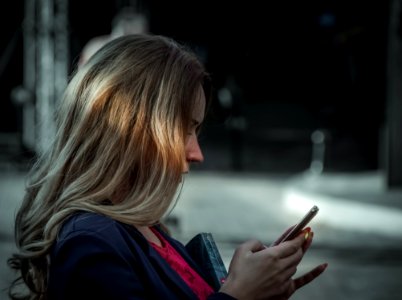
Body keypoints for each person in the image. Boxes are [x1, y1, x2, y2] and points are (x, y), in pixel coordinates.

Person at [8, 34, 327, 300]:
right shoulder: (91, 242)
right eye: (183, 129)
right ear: (129, 128)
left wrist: (251, 289)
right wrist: (238, 296)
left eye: (196, 131)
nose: (197, 153)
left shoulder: (142, 228)